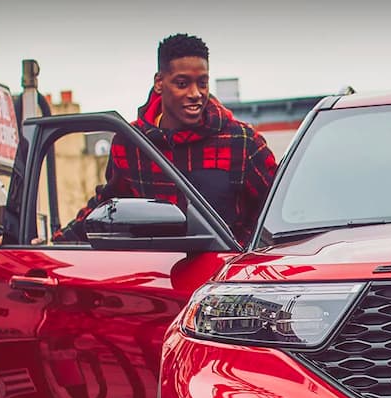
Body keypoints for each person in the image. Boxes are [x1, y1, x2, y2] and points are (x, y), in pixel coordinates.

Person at [53, 33, 278, 244]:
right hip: (156, 276)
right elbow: (107, 207)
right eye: (182, 84)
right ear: (159, 82)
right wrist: (56, 244)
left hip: (224, 277)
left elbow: (280, 205)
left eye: (202, 83)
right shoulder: (131, 143)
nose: (195, 93)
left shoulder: (242, 141)